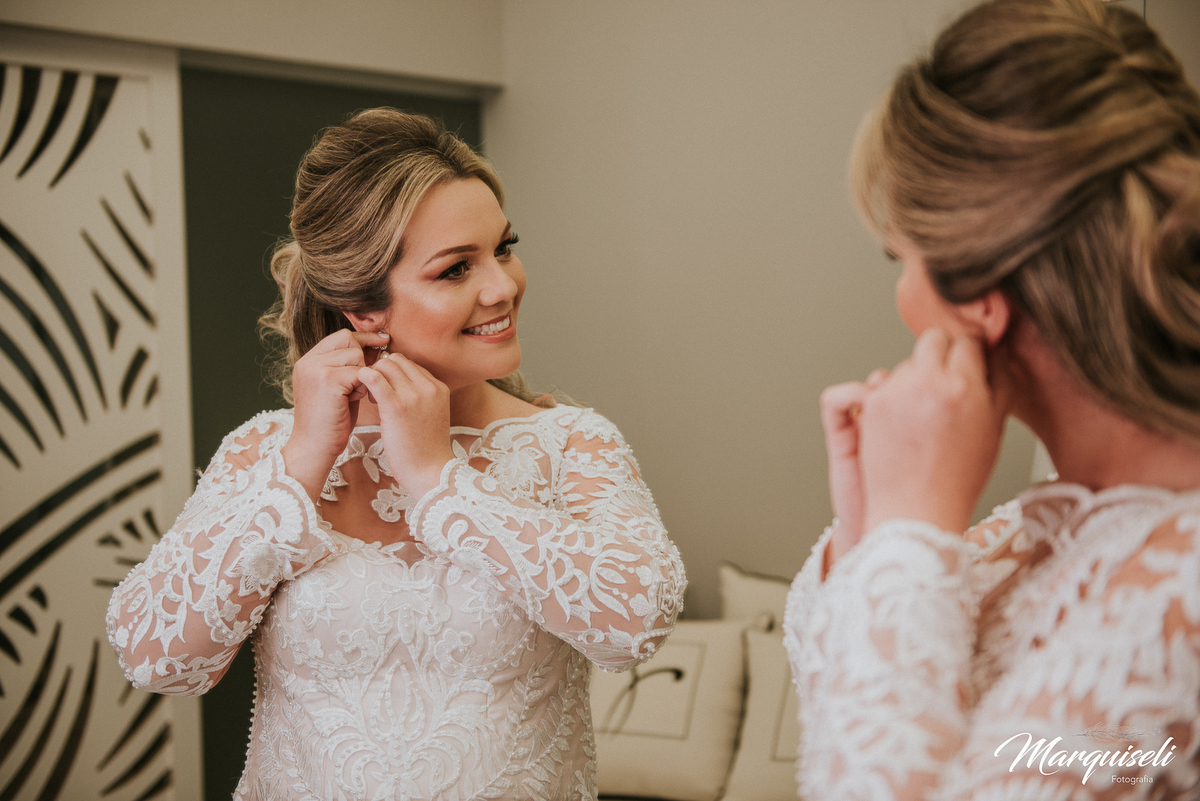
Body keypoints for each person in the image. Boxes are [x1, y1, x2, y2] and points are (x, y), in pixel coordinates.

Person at [107, 109, 685, 801]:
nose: (502, 286)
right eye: (456, 269)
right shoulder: (264, 452)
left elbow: (636, 624)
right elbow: (155, 658)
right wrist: (301, 464)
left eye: (504, 247)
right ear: (364, 311)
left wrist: (441, 483)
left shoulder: (572, 445)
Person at [783, 0, 1200, 798]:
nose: (902, 296)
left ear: (980, 299)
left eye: (898, 259)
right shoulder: (1035, 528)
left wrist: (909, 530)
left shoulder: (1180, 590)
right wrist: (876, 525)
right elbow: (851, 699)